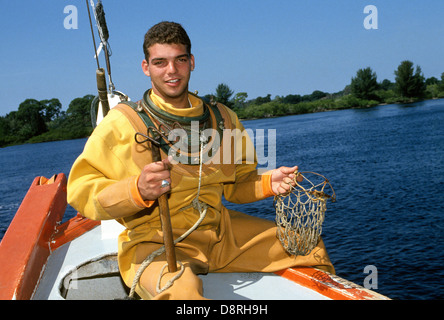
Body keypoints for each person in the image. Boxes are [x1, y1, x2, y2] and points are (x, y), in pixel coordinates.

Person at [67, 21, 334, 300]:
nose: (171, 71)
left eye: (179, 60)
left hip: (221, 235)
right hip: (156, 241)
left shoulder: (222, 118)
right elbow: (80, 191)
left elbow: (236, 186)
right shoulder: (123, 123)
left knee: (309, 246)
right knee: (182, 295)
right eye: (160, 62)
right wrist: (136, 190)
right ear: (146, 68)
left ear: (191, 62)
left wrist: (269, 182)